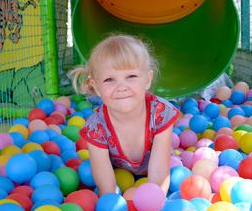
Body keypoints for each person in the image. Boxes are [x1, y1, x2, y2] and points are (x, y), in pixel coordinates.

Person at [69, 34, 181, 196]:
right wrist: (114, 207)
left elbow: (159, 172)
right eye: (109, 80)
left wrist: (153, 201)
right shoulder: (96, 127)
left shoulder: (160, 113)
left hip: (157, 168)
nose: (122, 87)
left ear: (147, 79)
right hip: (120, 172)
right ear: (96, 86)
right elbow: (106, 185)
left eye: (131, 76)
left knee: (177, 172)